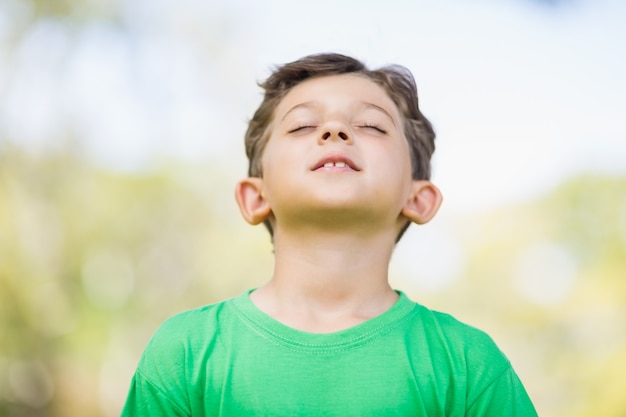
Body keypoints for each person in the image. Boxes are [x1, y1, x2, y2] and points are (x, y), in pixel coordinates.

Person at [121, 53, 538, 416]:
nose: (334, 131)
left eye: (373, 126)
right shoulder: (185, 354)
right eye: (302, 125)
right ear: (255, 196)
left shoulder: (468, 365)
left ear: (419, 199)